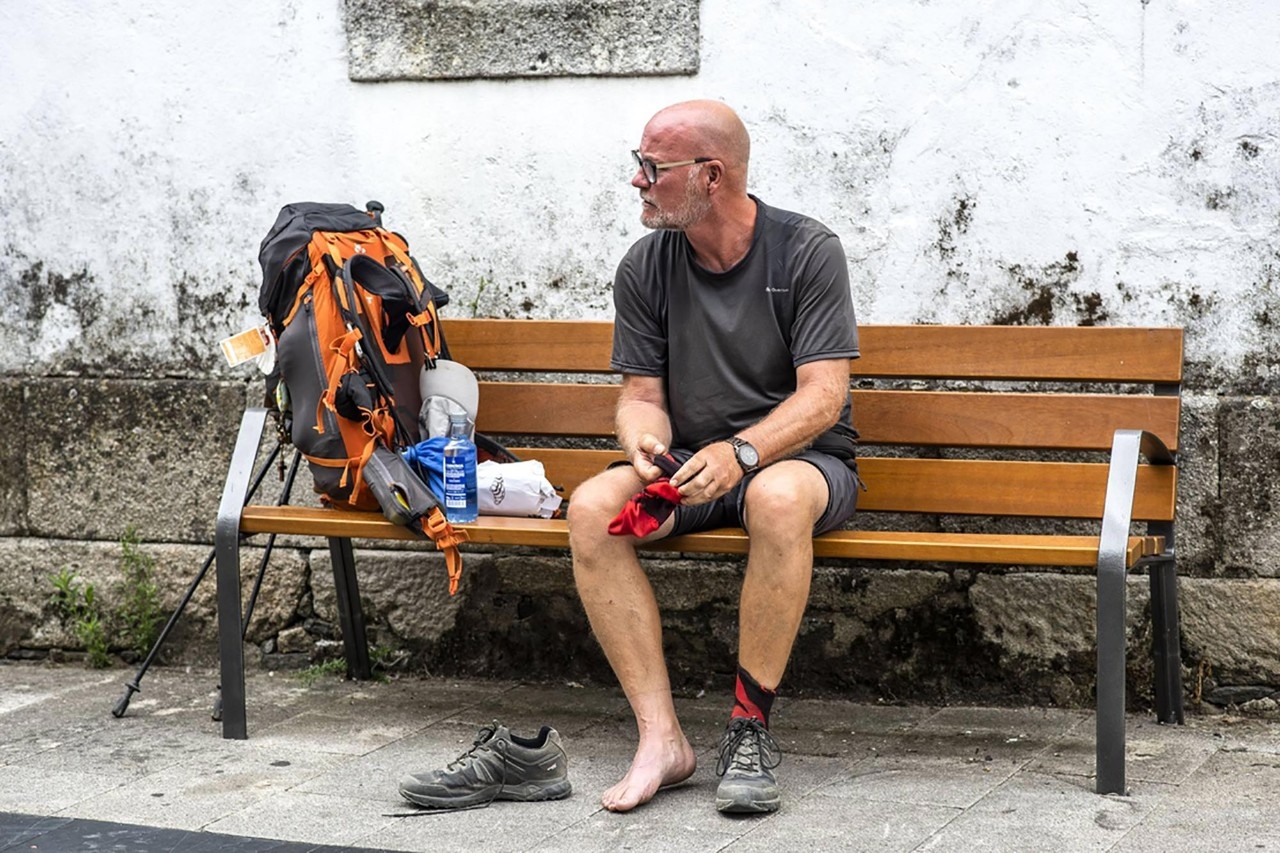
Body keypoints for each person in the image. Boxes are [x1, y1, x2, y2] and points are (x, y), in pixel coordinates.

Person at [567, 100, 861, 815]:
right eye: (638, 164)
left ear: (711, 175)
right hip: (692, 472)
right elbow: (642, 395)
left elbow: (824, 397)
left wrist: (744, 451)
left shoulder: (806, 251)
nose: (637, 181)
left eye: (652, 167)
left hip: (802, 463)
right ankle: (661, 739)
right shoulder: (646, 265)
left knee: (775, 498)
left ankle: (749, 730)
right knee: (592, 509)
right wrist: (642, 440)